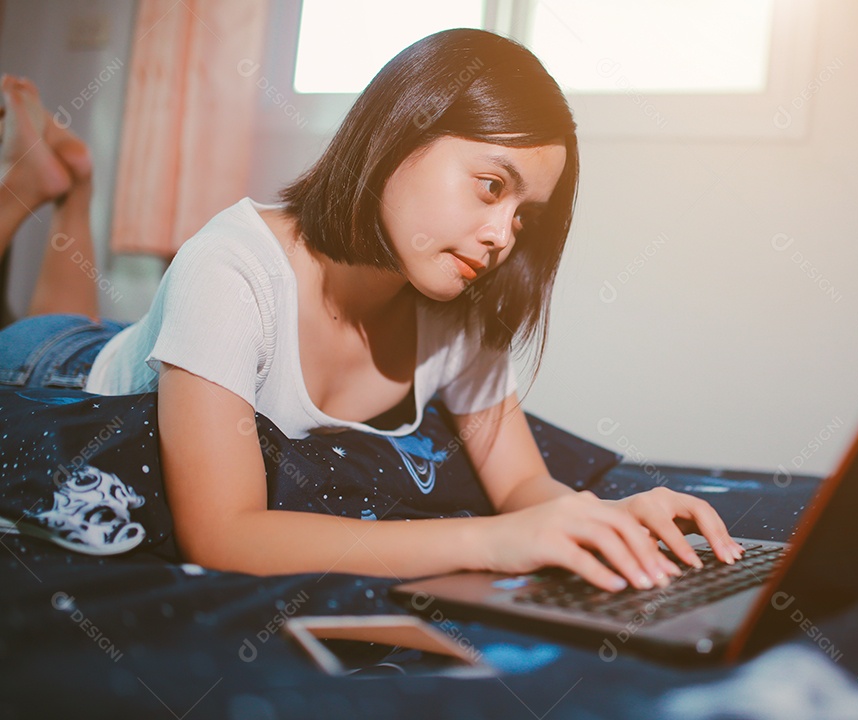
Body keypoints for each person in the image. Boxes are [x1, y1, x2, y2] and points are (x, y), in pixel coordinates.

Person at [0, 29, 744, 594]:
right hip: (58, 368)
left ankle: (70, 187)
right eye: (492, 186)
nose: (501, 234)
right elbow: (221, 535)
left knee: (76, 317)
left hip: (124, 340)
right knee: (30, 331)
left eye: (525, 216)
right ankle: (27, 194)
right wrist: (492, 542)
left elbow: (520, 485)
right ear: (399, 134)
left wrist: (598, 515)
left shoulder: (457, 302)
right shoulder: (230, 267)